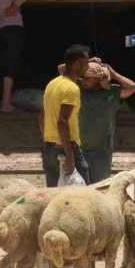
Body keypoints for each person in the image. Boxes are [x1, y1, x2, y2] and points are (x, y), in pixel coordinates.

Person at [78, 60, 135, 183]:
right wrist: (87, 61)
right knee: (80, 189)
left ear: (98, 79)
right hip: (80, 150)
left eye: (88, 78)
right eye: (83, 77)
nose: (84, 81)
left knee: (100, 187)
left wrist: (113, 73)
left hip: (102, 152)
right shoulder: (80, 90)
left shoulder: (112, 93)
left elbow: (133, 87)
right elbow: (62, 70)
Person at [41, 45, 90, 187]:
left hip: (49, 147)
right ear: (76, 64)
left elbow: (42, 116)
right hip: (65, 148)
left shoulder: (52, 84)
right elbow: (62, 121)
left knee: (53, 195)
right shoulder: (72, 89)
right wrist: (69, 155)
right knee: (84, 197)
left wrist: (46, 141)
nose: (87, 68)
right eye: (86, 64)